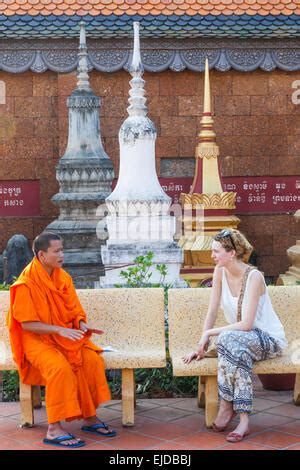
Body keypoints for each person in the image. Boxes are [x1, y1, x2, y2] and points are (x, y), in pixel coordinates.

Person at [7, 231, 116, 448]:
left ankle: (89, 416)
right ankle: (54, 428)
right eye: (57, 251)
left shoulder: (62, 277)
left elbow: (74, 311)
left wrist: (83, 325)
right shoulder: (25, 283)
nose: (62, 255)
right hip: (36, 341)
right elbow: (27, 324)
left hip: (64, 337)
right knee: (59, 368)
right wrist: (58, 330)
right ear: (41, 255)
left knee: (91, 360)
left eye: (62, 249)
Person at [183, 228, 287, 443]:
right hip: (240, 342)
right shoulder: (219, 272)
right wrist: (202, 341)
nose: (212, 256)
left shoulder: (254, 276)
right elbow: (212, 311)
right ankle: (243, 419)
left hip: (268, 338)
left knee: (227, 340)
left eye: (216, 251)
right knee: (235, 348)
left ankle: (226, 406)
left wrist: (210, 334)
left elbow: (247, 324)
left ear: (232, 253)